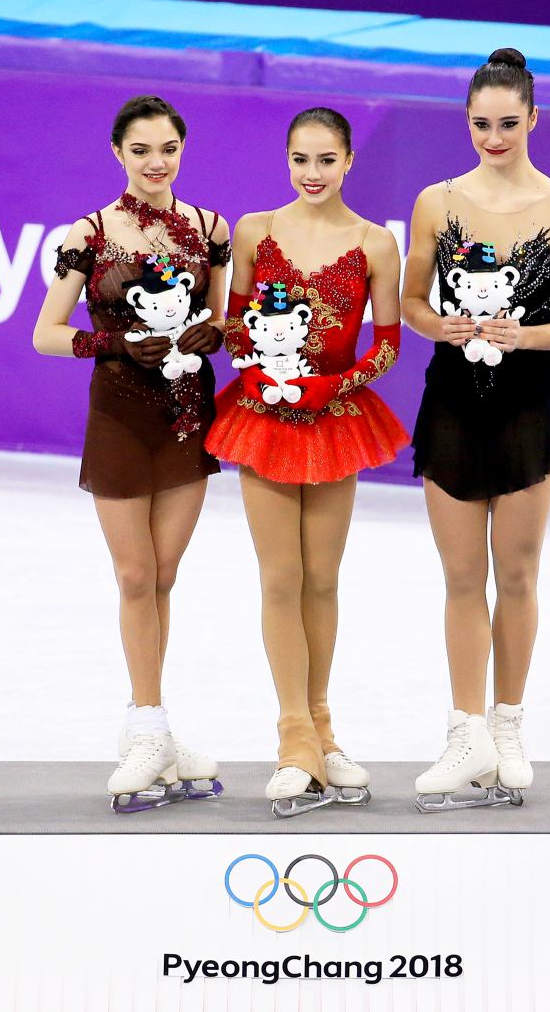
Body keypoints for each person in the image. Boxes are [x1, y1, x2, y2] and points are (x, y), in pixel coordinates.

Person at [401, 49, 550, 811]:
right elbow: (412, 303)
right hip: (451, 404)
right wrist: (442, 325)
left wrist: (524, 336)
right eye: (482, 124)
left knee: (516, 575)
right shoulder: (435, 202)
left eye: (508, 123)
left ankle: (508, 724)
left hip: (526, 410)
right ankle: (463, 732)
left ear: (534, 119)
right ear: (467, 121)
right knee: (461, 578)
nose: (494, 137)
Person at [205, 107, 408, 817]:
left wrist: (330, 385)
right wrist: (254, 370)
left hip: (334, 419)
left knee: (322, 579)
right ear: (286, 160)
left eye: (325, 160)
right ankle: (292, 734)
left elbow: (386, 346)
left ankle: (322, 729)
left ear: (349, 161)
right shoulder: (256, 231)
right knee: (281, 577)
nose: (312, 173)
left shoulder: (376, 243)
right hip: (265, 417)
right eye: (300, 159)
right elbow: (233, 322)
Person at [32, 95, 229, 812]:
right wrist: (111, 342)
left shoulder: (211, 230)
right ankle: (146, 724)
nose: (156, 162)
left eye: (168, 148)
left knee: (164, 575)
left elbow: (225, 318)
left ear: (182, 150)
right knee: (134, 572)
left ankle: (157, 727)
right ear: (118, 152)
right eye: (142, 149)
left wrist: (220, 334)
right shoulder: (91, 233)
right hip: (118, 415)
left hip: (185, 415)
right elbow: (46, 332)